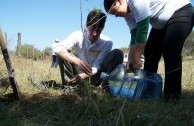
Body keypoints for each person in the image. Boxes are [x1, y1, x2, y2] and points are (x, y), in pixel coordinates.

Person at [103, 0, 193, 99]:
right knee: (150, 52)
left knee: (170, 49)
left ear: (120, 1)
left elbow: (142, 31)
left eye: (115, 11)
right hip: (161, 24)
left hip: (181, 12)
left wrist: (137, 59)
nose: (115, 15)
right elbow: (134, 36)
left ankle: (172, 95)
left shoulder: (137, 2)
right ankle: (148, 92)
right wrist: (130, 60)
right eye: (112, 14)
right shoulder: (127, 15)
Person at [54, 9, 123, 89]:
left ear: (103, 28)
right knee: (63, 53)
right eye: (92, 29)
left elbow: (97, 66)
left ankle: (106, 87)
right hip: (77, 72)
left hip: (95, 76)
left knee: (118, 53)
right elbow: (57, 48)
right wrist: (77, 61)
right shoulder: (78, 35)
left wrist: (83, 75)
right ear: (87, 25)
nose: (94, 34)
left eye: (98, 30)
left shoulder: (107, 43)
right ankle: (70, 86)